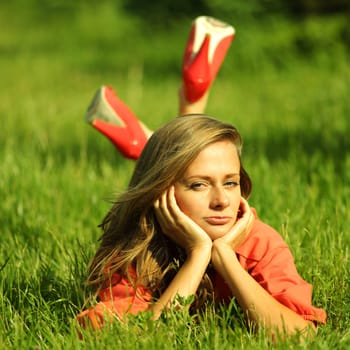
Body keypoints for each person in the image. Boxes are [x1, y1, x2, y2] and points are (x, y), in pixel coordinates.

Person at [77, 17, 326, 339]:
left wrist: (226, 259)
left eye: (231, 182)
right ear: (161, 194)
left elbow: (301, 337)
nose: (222, 201)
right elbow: (138, 339)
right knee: (179, 157)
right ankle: (153, 136)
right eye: (199, 185)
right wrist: (198, 255)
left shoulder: (259, 242)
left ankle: (145, 141)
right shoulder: (135, 249)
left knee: (182, 155)